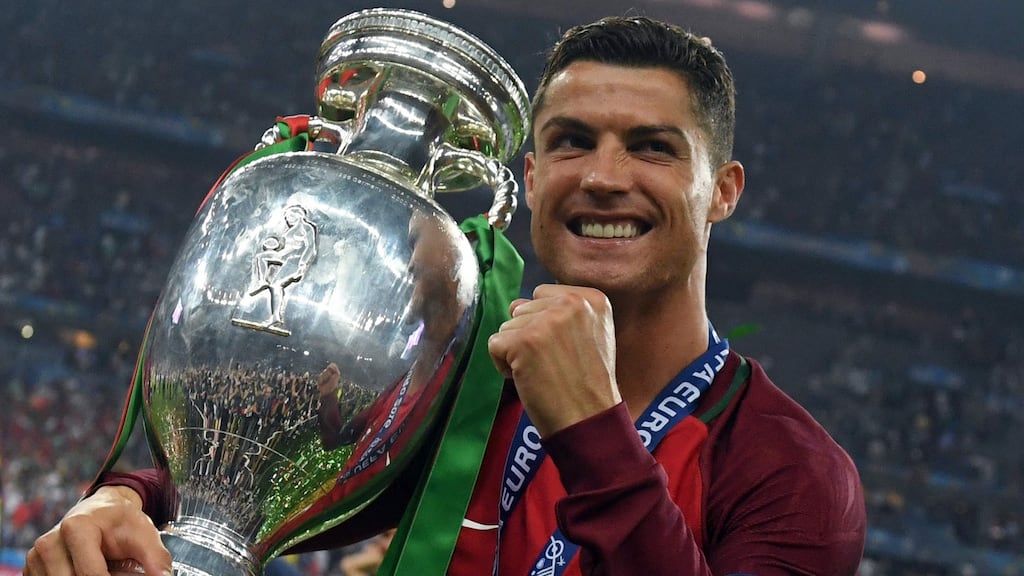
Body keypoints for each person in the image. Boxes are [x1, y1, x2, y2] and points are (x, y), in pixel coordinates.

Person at [24, 14, 866, 576]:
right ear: (531, 179)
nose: (605, 178)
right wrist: (120, 500)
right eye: (572, 143)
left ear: (721, 191)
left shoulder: (789, 470)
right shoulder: (453, 385)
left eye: (652, 149)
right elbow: (237, 482)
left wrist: (592, 432)